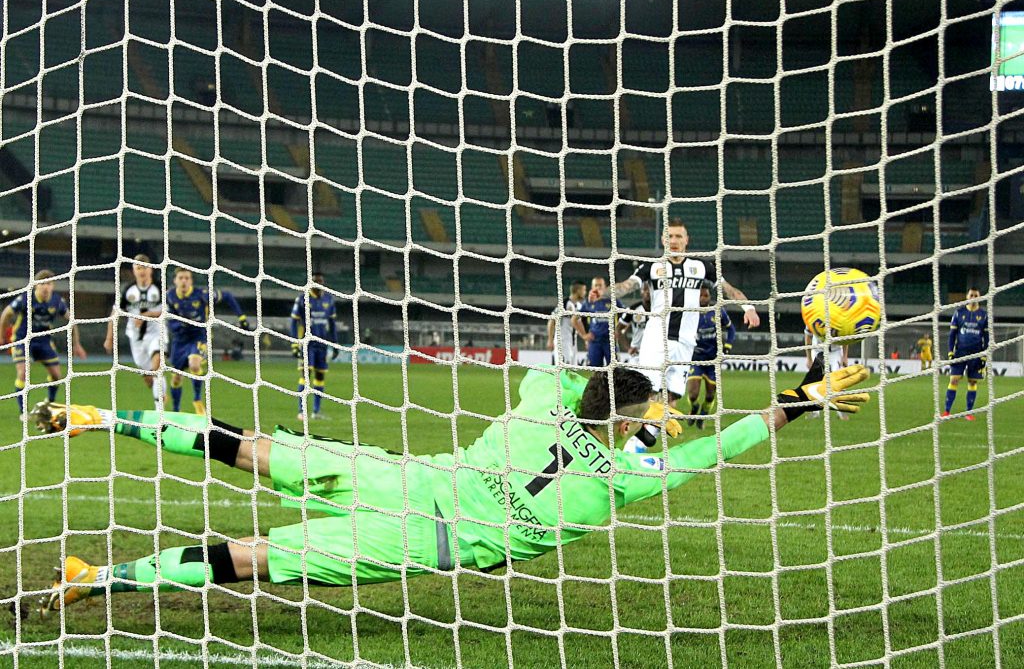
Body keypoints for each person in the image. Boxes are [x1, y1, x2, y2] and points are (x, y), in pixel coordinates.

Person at [24, 356, 868, 615]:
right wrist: (801, 398)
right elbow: (727, 443)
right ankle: (98, 578)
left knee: (248, 447)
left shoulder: (542, 396)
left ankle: (103, 417)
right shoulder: (626, 476)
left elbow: (575, 379)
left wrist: (630, 403)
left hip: (406, 475)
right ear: (629, 422)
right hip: (418, 537)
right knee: (251, 557)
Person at [605, 220, 759, 449]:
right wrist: (606, 292)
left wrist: (748, 307)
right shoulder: (652, 267)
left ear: (687, 240)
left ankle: (638, 445)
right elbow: (627, 285)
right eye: (669, 236)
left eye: (678, 236)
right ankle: (619, 435)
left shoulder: (702, 267)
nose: (674, 241)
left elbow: (728, 289)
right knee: (647, 393)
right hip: (656, 339)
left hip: (685, 343)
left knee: (672, 398)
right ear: (663, 240)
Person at [0, 270, 87, 417]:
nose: (46, 287)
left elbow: (72, 321)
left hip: (44, 341)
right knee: (23, 372)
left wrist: (76, 344)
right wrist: (1, 335)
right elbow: (6, 314)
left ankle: (49, 403)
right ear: (36, 285)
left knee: (56, 375)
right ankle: (23, 412)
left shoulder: (57, 301)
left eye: (49, 283)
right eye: (42, 284)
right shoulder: (26, 298)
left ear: (53, 286)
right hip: (22, 339)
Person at [165, 267, 249, 415]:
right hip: (180, 340)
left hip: (198, 336)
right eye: (180, 278)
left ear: (191, 281)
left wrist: (241, 317)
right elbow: (169, 320)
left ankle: (197, 400)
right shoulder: (169, 296)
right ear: (175, 281)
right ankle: (176, 410)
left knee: (194, 365)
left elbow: (227, 296)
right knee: (176, 378)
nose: (184, 281)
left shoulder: (202, 295)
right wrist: (180, 325)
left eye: (187, 278)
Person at [103, 255, 165, 410]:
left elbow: (167, 311)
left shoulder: (160, 288)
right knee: (149, 378)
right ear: (134, 271)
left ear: (150, 269)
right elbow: (115, 315)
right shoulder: (128, 291)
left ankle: (160, 413)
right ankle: (159, 393)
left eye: (144, 267)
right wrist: (109, 338)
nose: (141, 271)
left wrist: (147, 315)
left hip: (156, 333)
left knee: (157, 367)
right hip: (136, 338)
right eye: (138, 268)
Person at [291, 271, 339, 421]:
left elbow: (332, 324)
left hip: (322, 345)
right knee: (305, 375)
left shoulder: (328, 300)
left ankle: (316, 411)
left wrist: (335, 343)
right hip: (307, 344)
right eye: (315, 281)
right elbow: (293, 322)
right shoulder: (302, 299)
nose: (318, 284)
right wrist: (294, 343)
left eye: (320, 281)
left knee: (320, 376)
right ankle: (301, 411)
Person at [686, 286, 736, 430]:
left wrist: (727, 346)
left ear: (709, 297)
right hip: (696, 358)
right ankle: (694, 407)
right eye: (700, 295)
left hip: (713, 360)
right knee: (693, 394)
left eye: (706, 295)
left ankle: (703, 415)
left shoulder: (717, 311)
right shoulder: (690, 312)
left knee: (710, 395)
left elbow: (731, 329)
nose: (703, 298)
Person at [944, 288, 989, 420]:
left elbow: (987, 337)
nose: (973, 297)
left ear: (980, 297)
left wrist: (984, 355)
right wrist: (950, 352)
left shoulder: (984, 315)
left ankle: (968, 413)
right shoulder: (959, 313)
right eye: (971, 295)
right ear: (967, 296)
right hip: (960, 352)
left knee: (972, 381)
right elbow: (952, 335)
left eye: (976, 295)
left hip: (976, 352)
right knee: (954, 379)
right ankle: (947, 411)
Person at [573, 277, 624, 367]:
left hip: (610, 341)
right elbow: (574, 319)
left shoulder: (613, 300)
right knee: (595, 370)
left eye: (600, 285)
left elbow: (626, 315)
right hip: (594, 341)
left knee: (615, 370)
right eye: (596, 285)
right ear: (592, 287)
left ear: (605, 287)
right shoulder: (588, 302)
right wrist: (584, 335)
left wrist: (619, 331)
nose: (598, 287)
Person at [546, 281, 587, 366]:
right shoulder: (565, 303)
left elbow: (579, 323)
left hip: (573, 342)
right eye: (584, 290)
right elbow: (552, 321)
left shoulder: (579, 306)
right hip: (563, 341)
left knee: (572, 369)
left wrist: (585, 338)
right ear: (578, 290)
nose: (585, 292)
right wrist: (550, 339)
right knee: (563, 368)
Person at [616, 285, 651, 365]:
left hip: (655, 350)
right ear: (641, 292)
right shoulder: (632, 309)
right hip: (636, 352)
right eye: (645, 289)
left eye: (649, 290)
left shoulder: (661, 310)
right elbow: (618, 329)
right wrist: (628, 348)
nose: (647, 292)